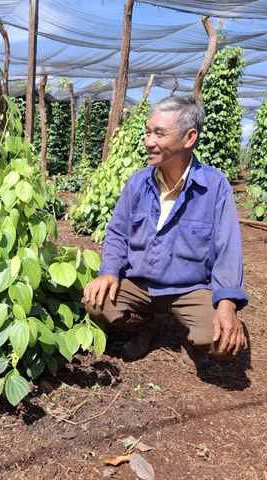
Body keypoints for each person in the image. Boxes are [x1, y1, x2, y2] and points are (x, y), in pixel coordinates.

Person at [82, 94, 248, 368]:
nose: (148, 141)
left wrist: (227, 305)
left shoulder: (214, 186)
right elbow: (118, 234)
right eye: (147, 132)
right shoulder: (137, 183)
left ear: (189, 138)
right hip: (141, 284)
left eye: (159, 133)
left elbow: (228, 251)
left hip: (192, 288)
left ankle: (190, 333)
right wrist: (109, 271)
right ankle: (144, 326)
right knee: (97, 303)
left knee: (221, 342)